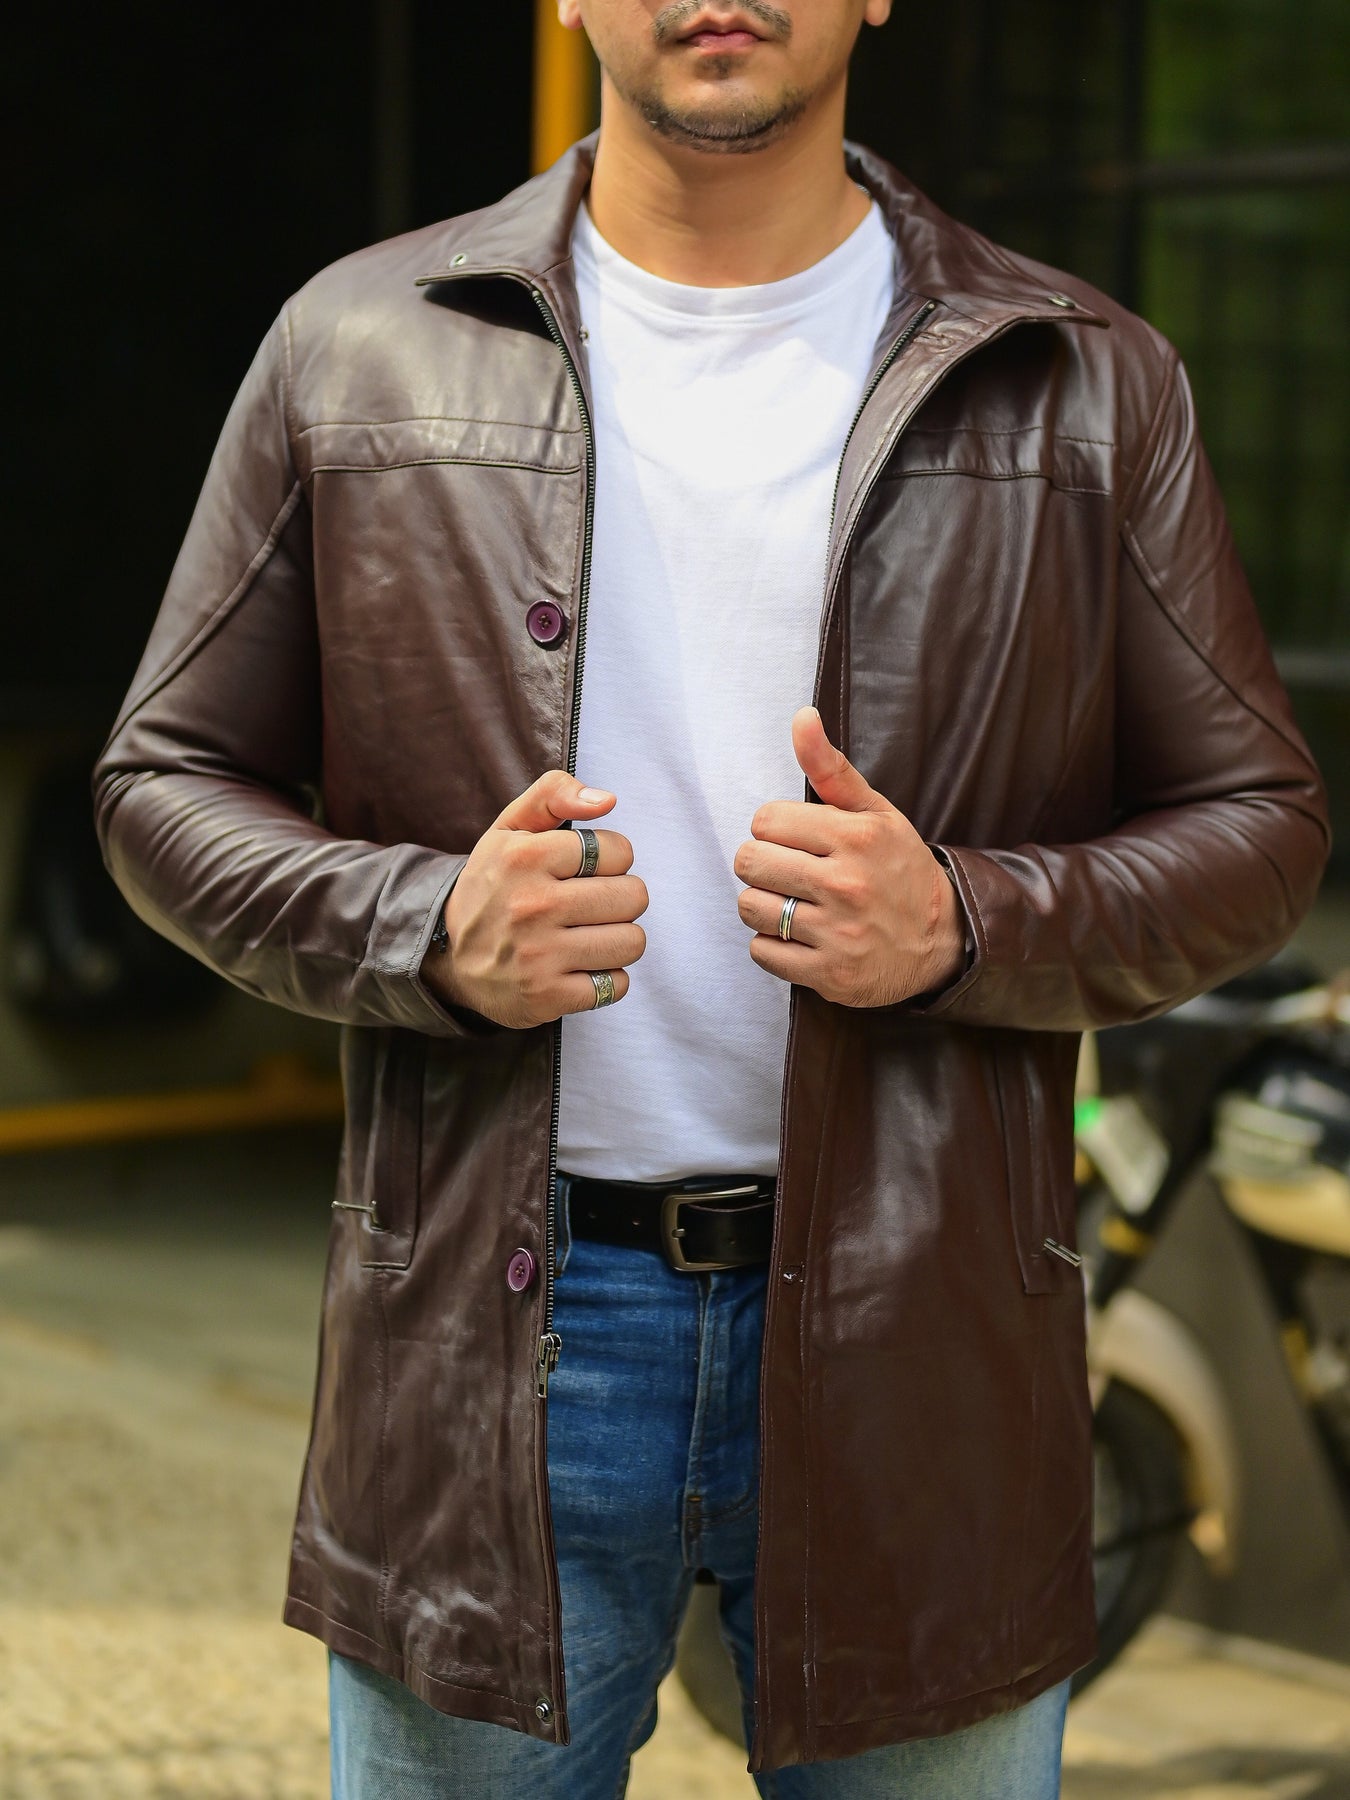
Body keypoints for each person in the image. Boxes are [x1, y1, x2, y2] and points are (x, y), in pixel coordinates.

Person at [93, 1, 1330, 1794]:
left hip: (924, 1347)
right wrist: (425, 929)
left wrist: (965, 922)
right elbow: (160, 782)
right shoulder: (359, 346)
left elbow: (1260, 824)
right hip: (494, 1343)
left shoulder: (1079, 373)